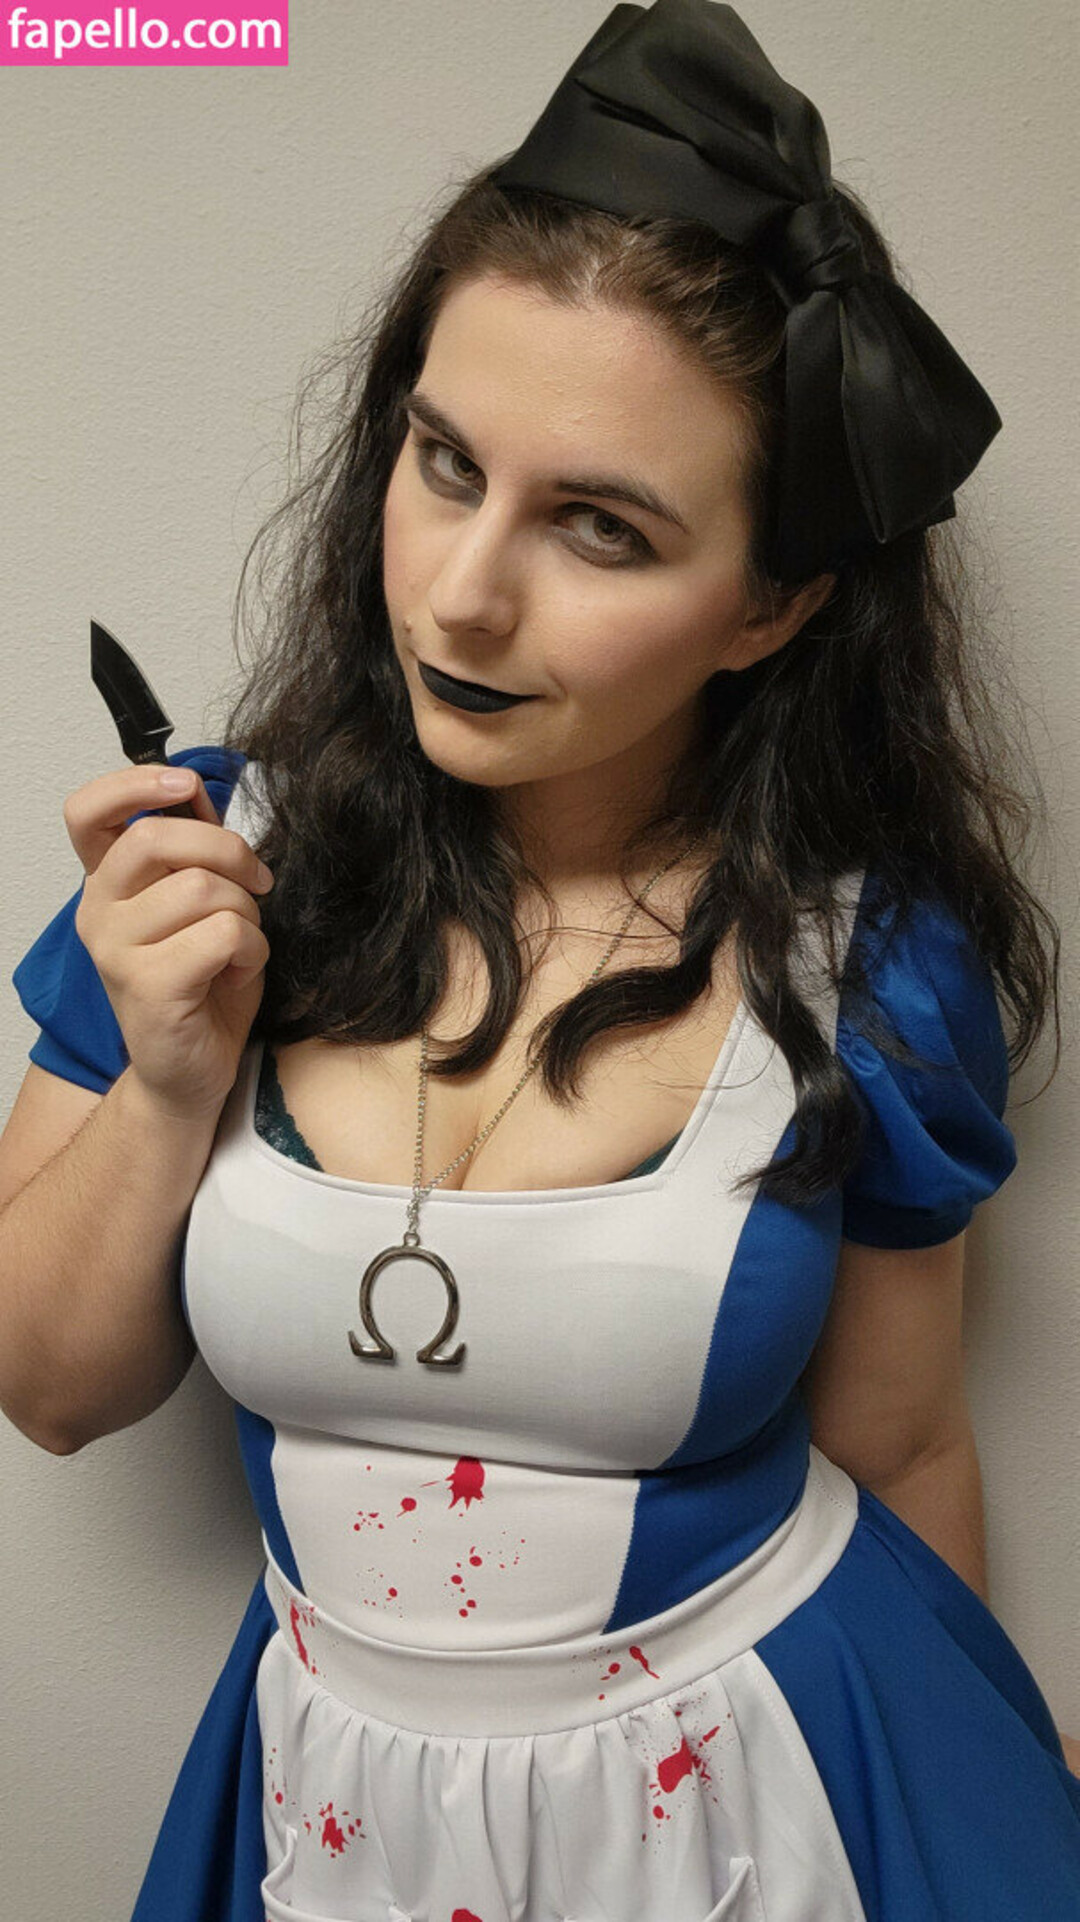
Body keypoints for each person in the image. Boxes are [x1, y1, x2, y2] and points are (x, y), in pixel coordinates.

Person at [2, 1, 1078, 1916]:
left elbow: (904, 1441)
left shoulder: (864, 962)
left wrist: (979, 1784)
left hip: (757, 1808)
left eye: (600, 526)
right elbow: (53, 1390)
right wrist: (169, 1076)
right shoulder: (204, 863)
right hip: (332, 1808)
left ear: (770, 605)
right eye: (443, 462)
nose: (462, 590)